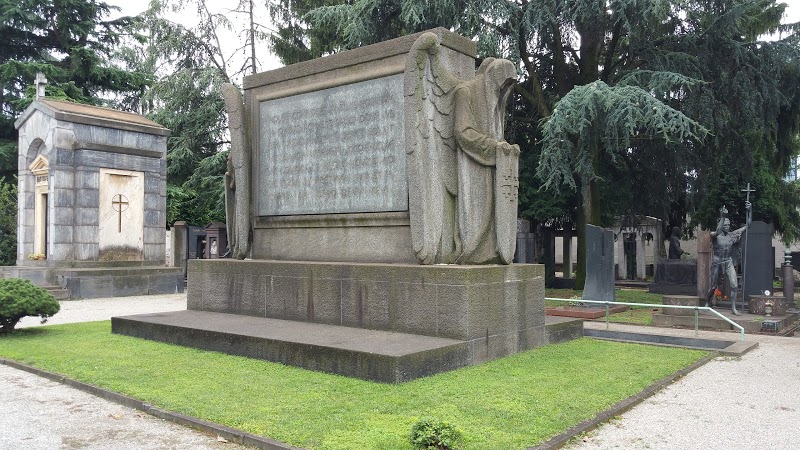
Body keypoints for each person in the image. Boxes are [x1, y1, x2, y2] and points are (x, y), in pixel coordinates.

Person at [705, 201, 752, 315]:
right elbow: (717, 231)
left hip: (728, 261)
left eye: (728, 224)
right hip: (717, 261)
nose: (727, 226)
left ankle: (733, 307)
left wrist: (750, 211)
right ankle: (708, 301)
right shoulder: (714, 236)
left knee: (734, 285)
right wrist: (723, 217)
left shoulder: (732, 235)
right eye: (725, 224)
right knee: (713, 285)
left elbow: (748, 226)